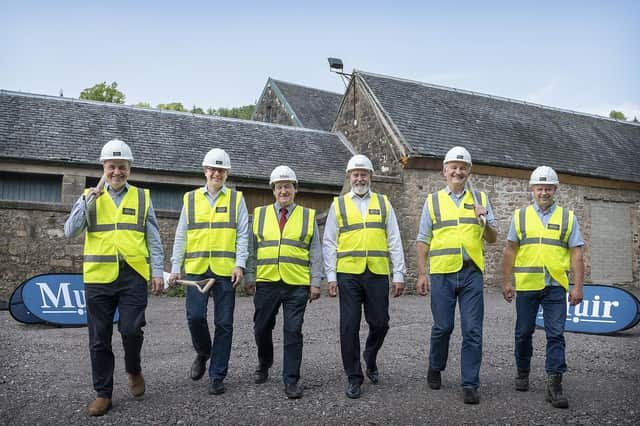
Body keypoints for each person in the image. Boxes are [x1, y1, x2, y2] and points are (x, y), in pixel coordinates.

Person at [64, 139, 164, 416]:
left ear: (129, 168)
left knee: (131, 330)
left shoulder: (143, 197)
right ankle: (103, 393)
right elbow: (70, 231)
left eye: (122, 167)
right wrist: (86, 201)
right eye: (111, 167)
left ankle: (133, 370)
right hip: (98, 277)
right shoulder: (89, 195)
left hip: (132, 275)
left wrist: (157, 271)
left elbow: (153, 238)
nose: (116, 172)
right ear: (104, 167)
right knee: (99, 338)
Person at [415, 146, 498, 405]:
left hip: (472, 272)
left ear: (469, 172)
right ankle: (435, 365)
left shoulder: (481, 200)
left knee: (473, 330)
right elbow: (423, 239)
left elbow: (494, 239)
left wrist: (483, 221)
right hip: (442, 273)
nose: (458, 171)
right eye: (453, 167)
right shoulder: (433, 200)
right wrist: (421, 273)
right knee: (443, 327)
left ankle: (470, 383)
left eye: (463, 168)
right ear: (445, 171)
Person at [323, 154, 406, 399]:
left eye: (364, 174)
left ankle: (370, 356)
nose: (359, 178)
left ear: (370, 176)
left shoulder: (383, 202)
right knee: (348, 326)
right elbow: (329, 242)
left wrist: (399, 273)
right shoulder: (338, 205)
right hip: (348, 273)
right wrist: (330, 276)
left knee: (380, 323)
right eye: (355, 174)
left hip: (377, 272)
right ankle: (354, 377)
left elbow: (394, 239)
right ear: (349, 177)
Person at [502, 165, 584, 409]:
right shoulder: (521, 216)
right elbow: (509, 250)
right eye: (540, 188)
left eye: (548, 188)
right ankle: (523, 371)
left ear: (555, 189)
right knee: (523, 332)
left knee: (556, 334)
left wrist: (578, 287)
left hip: (555, 287)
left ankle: (554, 384)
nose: (544, 192)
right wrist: (506, 281)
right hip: (527, 285)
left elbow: (576, 253)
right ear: (532, 189)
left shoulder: (567, 218)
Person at [168, 148, 249, 396]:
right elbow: (181, 234)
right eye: (212, 169)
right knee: (195, 317)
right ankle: (203, 352)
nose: (216, 173)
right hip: (196, 270)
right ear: (205, 171)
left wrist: (240, 264)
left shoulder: (237, 199)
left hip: (225, 272)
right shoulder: (190, 199)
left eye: (221, 170)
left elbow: (243, 234)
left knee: (224, 324)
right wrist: (174, 267)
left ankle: (217, 375)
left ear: (227, 173)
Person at [244, 165, 322, 399]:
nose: (283, 190)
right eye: (279, 187)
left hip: (296, 284)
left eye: (288, 186)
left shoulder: (308, 216)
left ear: (295, 189)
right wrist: (250, 275)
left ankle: (291, 380)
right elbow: (251, 248)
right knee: (261, 329)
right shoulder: (259, 214)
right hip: (266, 282)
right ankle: (265, 362)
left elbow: (316, 251)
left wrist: (315, 281)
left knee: (293, 332)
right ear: (273, 190)